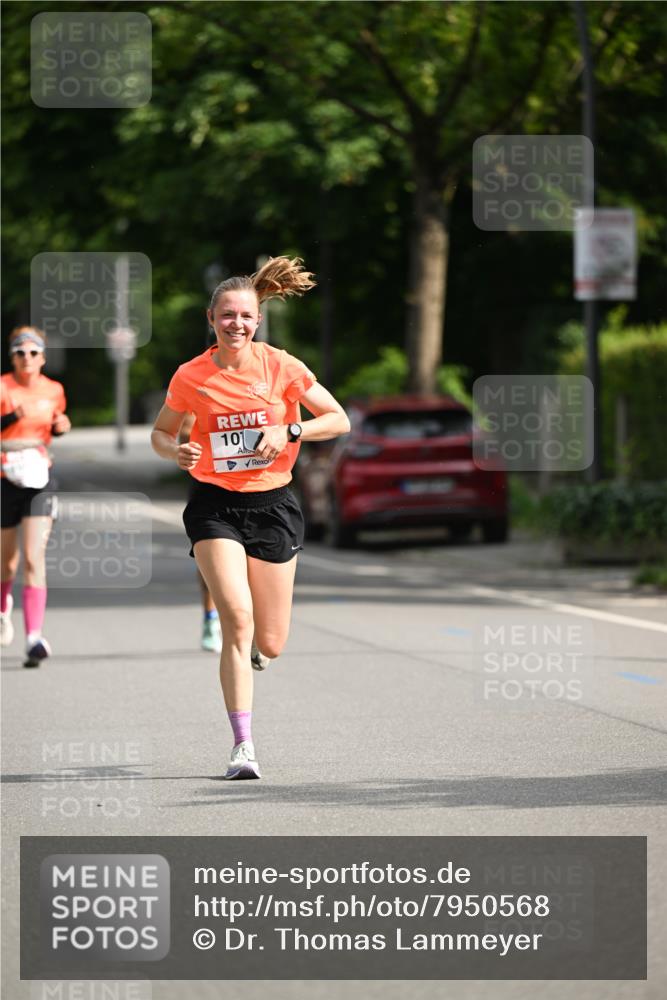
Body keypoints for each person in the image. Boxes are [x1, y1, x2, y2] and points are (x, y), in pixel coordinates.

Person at [151, 256, 350, 779]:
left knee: (271, 642)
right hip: (215, 504)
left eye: (244, 316)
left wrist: (290, 432)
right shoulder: (191, 375)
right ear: (210, 319)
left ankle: (257, 655)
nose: (235, 324)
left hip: (274, 506)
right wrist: (177, 453)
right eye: (226, 316)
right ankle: (243, 745)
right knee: (236, 620)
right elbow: (162, 432)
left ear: (257, 320)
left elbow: (338, 418)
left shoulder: (281, 366)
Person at [0, 326, 71, 666]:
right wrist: (13, 417)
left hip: (39, 477)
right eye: (19, 352)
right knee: (7, 562)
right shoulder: (3, 386)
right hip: (4, 477)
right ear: (12, 357)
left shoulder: (54, 389)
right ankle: (3, 609)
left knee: (33, 558)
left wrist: (61, 426)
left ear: (43, 357)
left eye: (32, 352)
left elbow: (57, 422)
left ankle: (33, 637)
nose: (25, 357)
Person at [179, 412, 222, 654]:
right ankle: (210, 618)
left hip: (256, 488)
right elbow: (183, 434)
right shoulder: (197, 383)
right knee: (212, 562)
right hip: (209, 488)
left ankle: (252, 622)